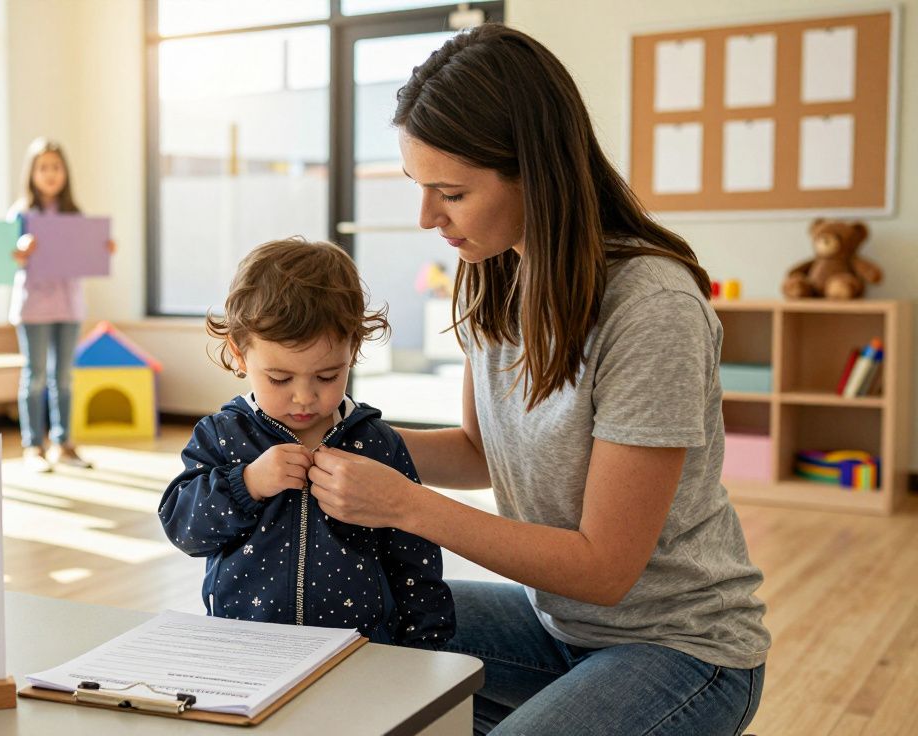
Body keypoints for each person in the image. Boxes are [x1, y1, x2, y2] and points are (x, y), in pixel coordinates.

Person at [304, 25, 769, 734]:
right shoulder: (494, 269)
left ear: (534, 172)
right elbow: (478, 450)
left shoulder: (652, 308)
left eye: (450, 192)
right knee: (344, 623)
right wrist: (340, 440)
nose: (427, 217)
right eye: (420, 187)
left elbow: (604, 567)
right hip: (556, 625)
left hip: (682, 648)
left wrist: (402, 505)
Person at [159, 238, 455, 648]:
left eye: (328, 376)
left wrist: (424, 650)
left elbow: (414, 561)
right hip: (242, 649)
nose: (304, 397)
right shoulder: (223, 435)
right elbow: (183, 528)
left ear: (354, 350)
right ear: (239, 354)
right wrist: (245, 484)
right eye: (279, 378)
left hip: (360, 652)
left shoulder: (377, 444)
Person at [9, 138, 114, 472]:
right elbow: (5, 258)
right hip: (33, 307)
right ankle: (33, 446)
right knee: (35, 375)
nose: (50, 174)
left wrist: (101, 250)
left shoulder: (75, 215)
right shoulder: (21, 215)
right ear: (32, 173)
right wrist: (19, 250)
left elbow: (85, 258)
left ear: (65, 172)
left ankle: (63, 443)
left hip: (68, 307)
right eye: (43, 167)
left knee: (64, 377)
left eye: (56, 167)